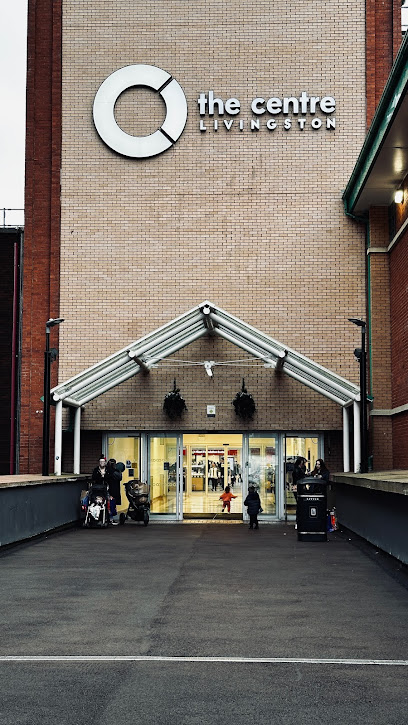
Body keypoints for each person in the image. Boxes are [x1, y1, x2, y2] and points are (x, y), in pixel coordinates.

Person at [91, 456, 118, 524]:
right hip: (97, 489)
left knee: (110, 501)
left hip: (106, 489)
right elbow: (94, 478)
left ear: (105, 462)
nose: (102, 463)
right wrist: (100, 476)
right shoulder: (96, 470)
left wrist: (105, 476)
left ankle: (110, 518)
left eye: (103, 462)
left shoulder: (109, 470)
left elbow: (111, 480)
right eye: (100, 462)